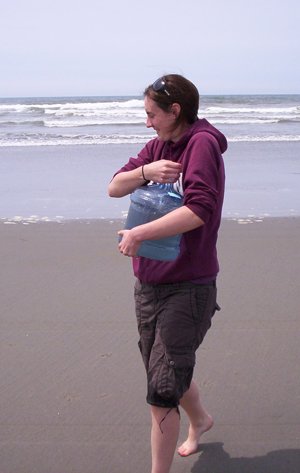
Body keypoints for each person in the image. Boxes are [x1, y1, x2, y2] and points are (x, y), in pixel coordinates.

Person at [109, 74, 227, 473]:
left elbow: (199, 210)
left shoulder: (202, 145)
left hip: (188, 286)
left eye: (151, 114)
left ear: (175, 111)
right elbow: (114, 187)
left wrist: (140, 232)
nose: (147, 123)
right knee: (165, 368)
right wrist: (146, 171)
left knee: (162, 389)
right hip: (149, 283)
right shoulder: (158, 146)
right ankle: (200, 420)